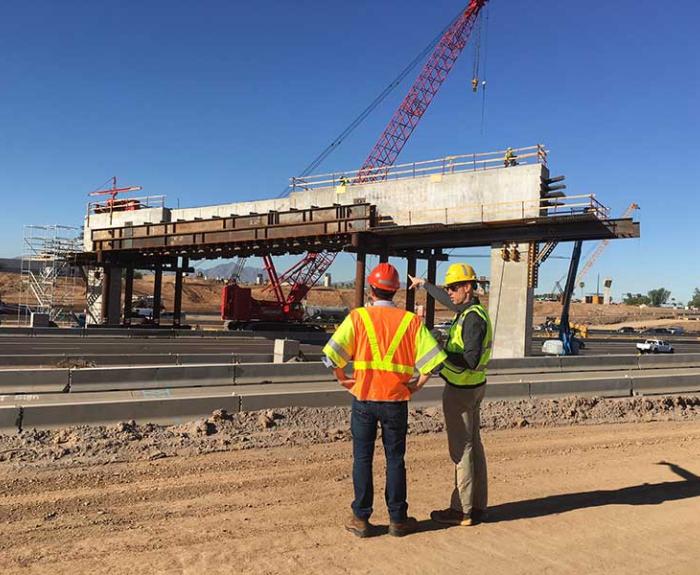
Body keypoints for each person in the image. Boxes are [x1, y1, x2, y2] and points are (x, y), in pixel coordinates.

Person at [323, 263, 446, 538]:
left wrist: (343, 379)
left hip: (364, 399)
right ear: (396, 291)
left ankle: (361, 518)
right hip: (395, 401)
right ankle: (398, 519)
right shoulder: (410, 321)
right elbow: (433, 363)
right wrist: (416, 386)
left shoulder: (358, 318)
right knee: (395, 460)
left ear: (371, 289)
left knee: (362, 459)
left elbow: (331, 356)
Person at [409, 263, 493, 527]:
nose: (450, 293)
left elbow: (469, 359)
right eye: (449, 288)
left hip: (462, 391)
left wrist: (439, 350)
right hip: (473, 386)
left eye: (454, 287)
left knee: (462, 450)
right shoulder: (470, 309)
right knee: (474, 446)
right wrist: (425, 285)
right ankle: (476, 506)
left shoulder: (472, 319)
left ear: (467, 287)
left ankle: (462, 510)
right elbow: (449, 301)